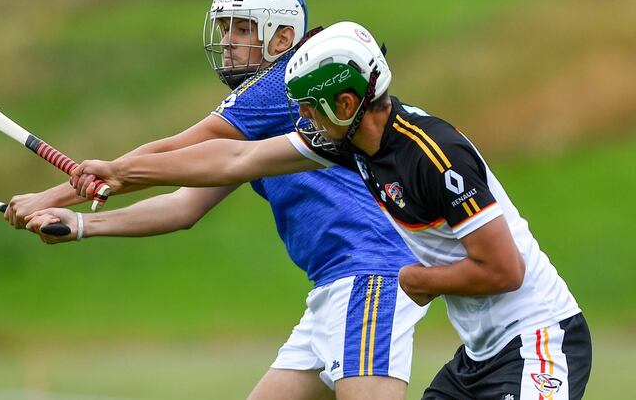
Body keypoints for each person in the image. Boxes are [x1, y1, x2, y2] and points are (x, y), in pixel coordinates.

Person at [50, 21, 593, 399]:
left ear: (348, 101)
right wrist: (123, 173)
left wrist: (422, 280)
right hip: (479, 356)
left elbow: (504, 269)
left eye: (310, 105)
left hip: (540, 343)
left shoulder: (433, 154)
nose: (302, 117)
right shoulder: (348, 140)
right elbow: (236, 157)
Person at [10, 0, 429, 400]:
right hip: (333, 288)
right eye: (225, 29)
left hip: (370, 274)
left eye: (242, 30)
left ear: (282, 38)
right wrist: (82, 224)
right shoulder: (269, 114)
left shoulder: (281, 82)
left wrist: (50, 198)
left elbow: (174, 151)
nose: (227, 42)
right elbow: (183, 206)